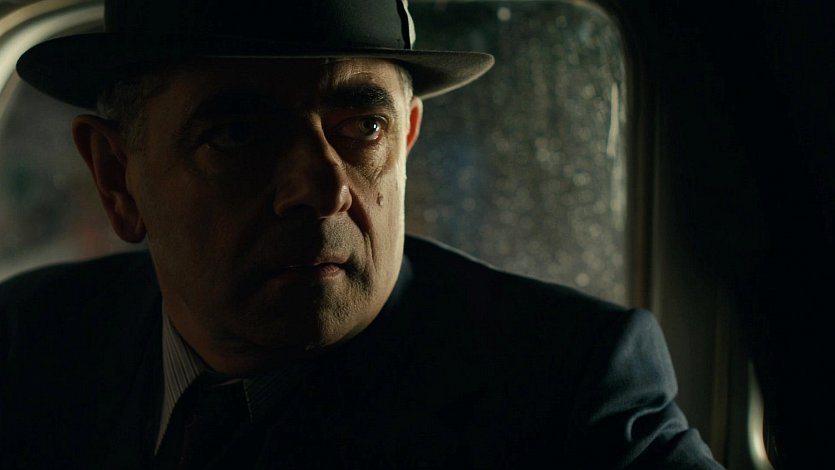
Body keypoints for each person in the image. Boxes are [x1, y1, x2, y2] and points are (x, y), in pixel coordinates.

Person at [0, 0, 724, 468]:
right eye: (238, 135)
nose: (322, 189)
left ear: (406, 140)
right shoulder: (26, 342)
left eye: (364, 127)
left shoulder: (565, 390)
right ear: (117, 177)